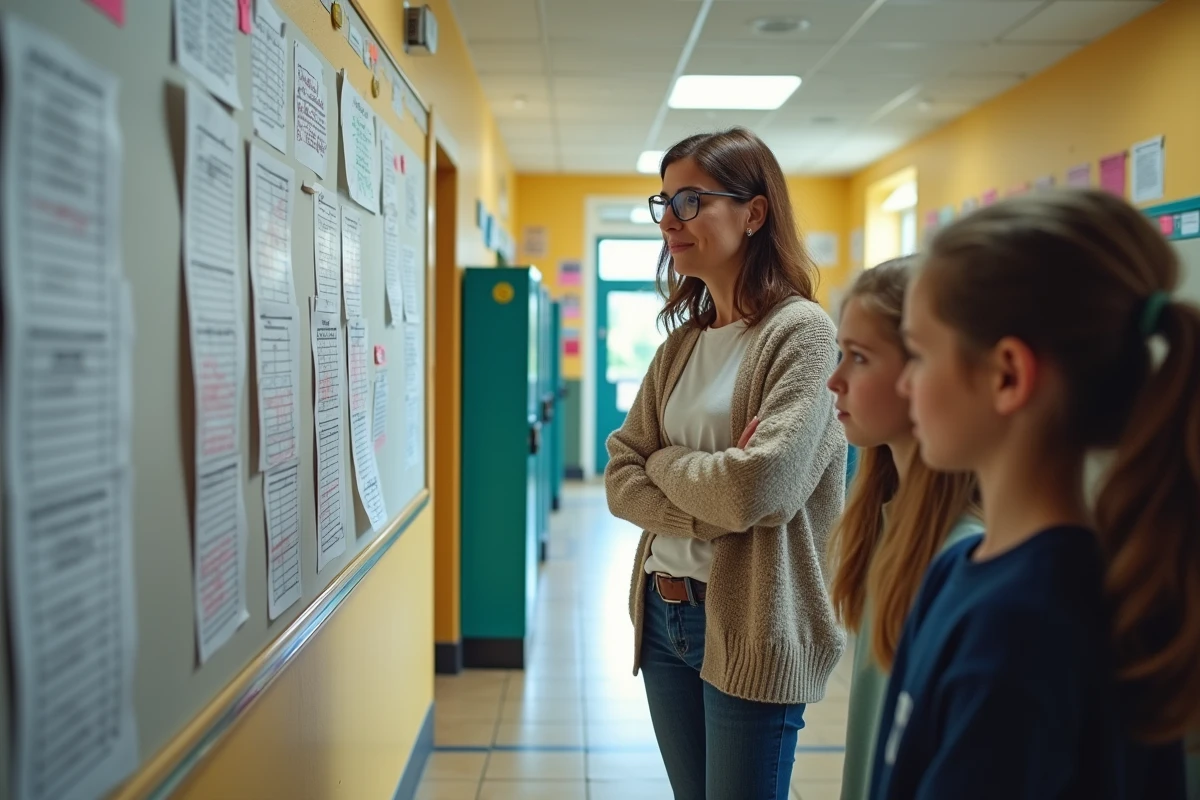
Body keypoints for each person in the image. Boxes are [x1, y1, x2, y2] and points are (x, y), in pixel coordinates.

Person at [870, 189, 1196, 799]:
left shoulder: (1022, 627)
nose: (907, 382)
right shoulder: (958, 573)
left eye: (918, 352)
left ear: (1007, 376)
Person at [604, 127, 847, 799]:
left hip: (752, 619)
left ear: (754, 212)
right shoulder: (682, 345)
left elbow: (756, 489)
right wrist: (705, 490)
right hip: (663, 612)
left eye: (691, 200)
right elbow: (621, 473)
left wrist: (670, 462)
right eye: (664, 203)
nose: (670, 222)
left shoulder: (802, 335)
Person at [824, 258, 981, 800]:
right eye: (839, 352)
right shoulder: (885, 518)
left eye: (859, 358)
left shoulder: (961, 554)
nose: (834, 379)